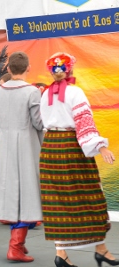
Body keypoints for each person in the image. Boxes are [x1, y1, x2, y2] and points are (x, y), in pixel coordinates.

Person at [40, 52, 117, 267]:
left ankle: (62, 254)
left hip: (50, 148)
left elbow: (41, 121)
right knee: (90, 196)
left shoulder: (45, 94)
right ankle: (100, 250)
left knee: (57, 201)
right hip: (72, 148)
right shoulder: (76, 92)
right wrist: (101, 147)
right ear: (70, 70)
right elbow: (84, 124)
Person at [0, 51, 44, 262]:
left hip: (3, 145)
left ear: (8, 69)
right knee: (27, 194)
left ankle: (19, 244)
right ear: (28, 68)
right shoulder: (32, 92)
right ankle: (15, 247)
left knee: (12, 193)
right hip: (26, 145)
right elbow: (39, 123)